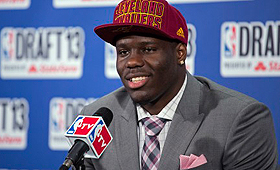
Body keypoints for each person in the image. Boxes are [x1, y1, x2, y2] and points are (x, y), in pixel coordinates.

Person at [80, 0, 279, 169]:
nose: (132, 62)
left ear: (180, 53)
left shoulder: (241, 120)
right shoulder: (95, 118)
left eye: (148, 49)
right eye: (123, 52)